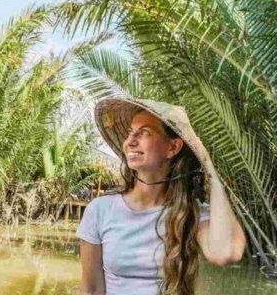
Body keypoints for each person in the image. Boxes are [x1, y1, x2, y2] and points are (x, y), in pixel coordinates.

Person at [78, 98, 246, 295]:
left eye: (145, 133)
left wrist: (210, 168)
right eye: (131, 133)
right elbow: (91, 290)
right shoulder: (100, 210)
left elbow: (226, 254)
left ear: (172, 147)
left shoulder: (192, 214)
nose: (130, 141)